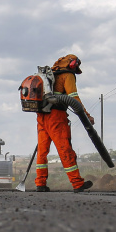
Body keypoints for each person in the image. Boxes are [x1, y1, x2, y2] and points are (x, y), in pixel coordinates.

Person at [34, 54, 94, 193]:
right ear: (73, 65)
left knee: (42, 152)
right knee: (65, 149)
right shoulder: (68, 75)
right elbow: (74, 98)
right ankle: (77, 183)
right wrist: (87, 115)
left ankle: (40, 183)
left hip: (41, 116)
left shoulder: (51, 75)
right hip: (56, 117)